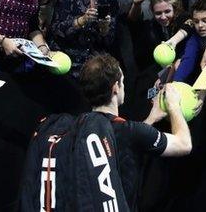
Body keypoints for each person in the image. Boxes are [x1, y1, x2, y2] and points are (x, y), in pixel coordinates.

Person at [78, 54, 192, 210]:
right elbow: (184, 144)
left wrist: (150, 119)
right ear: (116, 88)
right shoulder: (130, 131)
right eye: (122, 82)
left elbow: (122, 138)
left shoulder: (75, 127)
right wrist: (174, 105)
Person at [48, 0, 118, 77]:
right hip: (65, 60)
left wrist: (104, 29)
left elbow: (110, 42)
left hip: (93, 67)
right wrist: (81, 21)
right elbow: (56, 29)